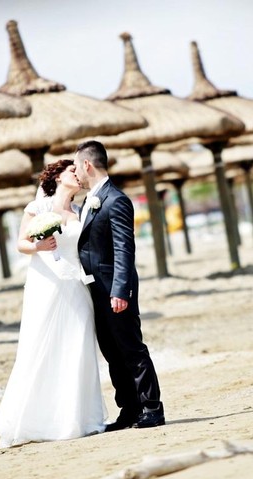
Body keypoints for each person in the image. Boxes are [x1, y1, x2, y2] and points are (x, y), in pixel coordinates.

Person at [0, 159, 107, 447]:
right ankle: (35, 419)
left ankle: (78, 419)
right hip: (47, 283)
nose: (78, 176)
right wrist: (38, 246)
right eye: (72, 171)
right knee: (41, 346)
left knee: (78, 346)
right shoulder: (38, 208)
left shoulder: (82, 210)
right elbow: (21, 243)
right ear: (57, 176)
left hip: (76, 284)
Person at [74, 140, 165, 430]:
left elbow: (125, 250)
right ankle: (129, 409)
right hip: (94, 290)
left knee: (131, 348)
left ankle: (152, 408)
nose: (76, 171)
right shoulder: (88, 201)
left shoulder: (116, 200)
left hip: (114, 289)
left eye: (77, 166)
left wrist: (120, 290)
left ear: (87, 165)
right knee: (112, 352)